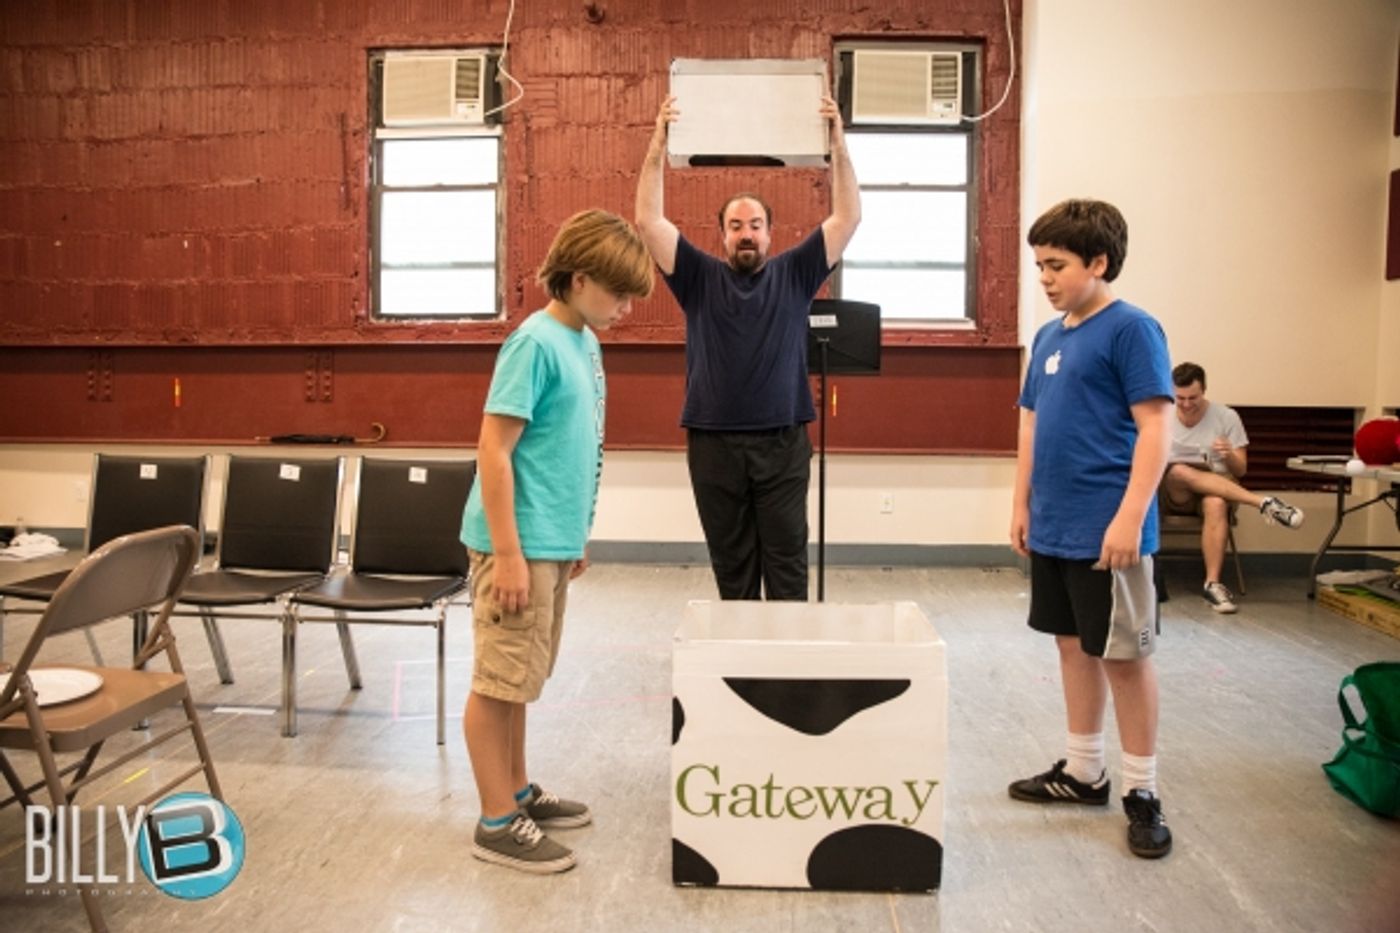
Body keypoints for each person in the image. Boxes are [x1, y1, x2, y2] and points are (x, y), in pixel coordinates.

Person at [460, 209, 654, 873]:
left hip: (549, 540)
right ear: (577, 278)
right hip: (514, 546)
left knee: (521, 678)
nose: (625, 307)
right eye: (618, 293)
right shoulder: (534, 342)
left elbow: (570, 449)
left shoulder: (585, 340)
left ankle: (516, 790)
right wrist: (509, 553)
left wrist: (573, 535)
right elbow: (494, 449)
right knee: (496, 682)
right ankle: (494, 820)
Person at [634, 92, 861, 601]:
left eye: (755, 226)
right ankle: (741, 675)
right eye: (736, 226)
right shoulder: (696, 277)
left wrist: (838, 145)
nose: (746, 235)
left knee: (786, 565)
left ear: (770, 233)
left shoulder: (796, 271)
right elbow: (649, 222)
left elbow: (846, 218)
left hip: (782, 445)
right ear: (721, 235)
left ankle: (788, 673)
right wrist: (658, 144)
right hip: (713, 446)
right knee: (732, 570)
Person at [1008, 199, 1175, 860]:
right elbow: (1029, 422)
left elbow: (1156, 427)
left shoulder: (1132, 329)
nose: (1044, 278)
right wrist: (1021, 503)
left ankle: (1142, 789)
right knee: (1072, 646)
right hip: (1054, 523)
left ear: (1098, 262)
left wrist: (1131, 513)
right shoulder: (1049, 337)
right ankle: (1083, 771)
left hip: (1110, 528)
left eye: (1057, 265)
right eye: (1038, 265)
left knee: (1124, 659)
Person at [1162, 361, 1304, 613]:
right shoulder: (1162, 413)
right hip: (1175, 492)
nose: (1185, 404)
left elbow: (1240, 470)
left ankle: (1213, 585)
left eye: (1192, 397)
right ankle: (1262, 503)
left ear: (1204, 390)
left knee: (1216, 503)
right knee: (1180, 470)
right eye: (1180, 398)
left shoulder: (1226, 416)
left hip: (1217, 488)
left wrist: (1227, 454)